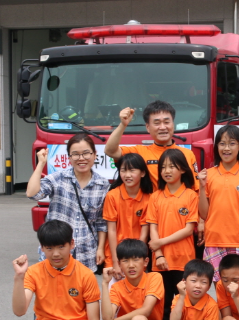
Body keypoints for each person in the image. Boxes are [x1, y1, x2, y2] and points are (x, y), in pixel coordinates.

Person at [26, 135, 109, 272]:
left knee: (82, 292)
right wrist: (41, 163)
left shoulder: (102, 184)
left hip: (86, 254)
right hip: (56, 254)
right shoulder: (58, 178)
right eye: (75, 154)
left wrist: (100, 249)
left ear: (95, 155)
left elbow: (101, 222)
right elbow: (32, 194)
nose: (81, 158)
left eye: (86, 153)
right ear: (69, 158)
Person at [144, 148, 199, 320]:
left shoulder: (191, 195)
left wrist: (160, 243)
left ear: (183, 169)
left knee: (185, 302)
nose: (167, 171)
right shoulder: (155, 196)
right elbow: (153, 226)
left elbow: (189, 229)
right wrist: (158, 254)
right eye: (163, 167)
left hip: (184, 260)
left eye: (172, 167)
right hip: (161, 261)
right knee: (164, 304)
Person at [197, 125, 239, 284]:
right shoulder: (209, 175)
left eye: (232, 143)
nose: (226, 148)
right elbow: (204, 214)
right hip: (214, 243)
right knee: (220, 290)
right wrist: (202, 186)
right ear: (216, 146)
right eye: (222, 143)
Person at [105, 101, 199, 189]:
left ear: (173, 124)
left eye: (166, 122)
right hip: (150, 206)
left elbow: (195, 188)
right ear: (148, 127)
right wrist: (123, 125)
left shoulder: (187, 154)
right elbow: (110, 151)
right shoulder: (139, 152)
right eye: (157, 123)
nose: (162, 127)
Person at [102, 153, 153, 279]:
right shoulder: (112, 196)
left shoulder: (149, 198)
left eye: (132, 170)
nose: (127, 175)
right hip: (115, 254)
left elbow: (144, 234)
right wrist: (115, 262)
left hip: (137, 255)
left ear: (142, 173)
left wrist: (138, 259)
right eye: (123, 170)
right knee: (114, 295)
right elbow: (111, 230)